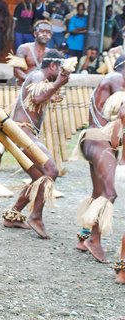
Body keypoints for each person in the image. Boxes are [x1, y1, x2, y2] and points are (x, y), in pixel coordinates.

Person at [2, 50, 69, 239]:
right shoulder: (39, 75)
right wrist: (58, 83)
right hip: (23, 132)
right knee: (51, 171)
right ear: (54, 66)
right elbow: (37, 98)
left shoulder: (40, 78)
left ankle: (13, 215)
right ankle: (36, 216)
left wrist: (55, 88)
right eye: (61, 69)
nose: (64, 74)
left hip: (25, 133)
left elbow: (42, 96)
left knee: (38, 177)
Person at [75, 55, 125, 263]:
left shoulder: (112, 81)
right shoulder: (116, 79)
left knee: (98, 192)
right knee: (109, 193)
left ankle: (83, 236)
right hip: (100, 142)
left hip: (94, 141)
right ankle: (94, 240)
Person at [0, 20, 52, 171]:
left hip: (41, 97)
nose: (45, 33)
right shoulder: (24, 48)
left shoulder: (51, 54)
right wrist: (31, 86)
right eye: (42, 31)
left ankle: (47, 161)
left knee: (46, 127)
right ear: (35, 33)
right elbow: (16, 71)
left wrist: (47, 90)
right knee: (12, 125)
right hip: (22, 94)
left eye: (48, 32)